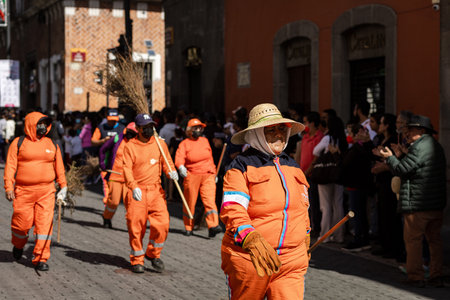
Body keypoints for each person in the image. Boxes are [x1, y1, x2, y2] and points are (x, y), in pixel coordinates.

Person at [221, 103, 310, 299]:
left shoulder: (293, 166)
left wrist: (305, 236)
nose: (278, 135)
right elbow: (233, 209)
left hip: (291, 262)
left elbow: (302, 208)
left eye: (281, 129)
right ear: (256, 135)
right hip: (251, 258)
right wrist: (250, 238)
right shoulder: (241, 166)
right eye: (270, 130)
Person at [380, 115, 446, 288]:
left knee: (413, 240)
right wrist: (402, 154)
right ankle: (436, 274)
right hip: (434, 204)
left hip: (418, 204)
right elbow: (416, 167)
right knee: (434, 241)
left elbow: (403, 169)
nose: (407, 133)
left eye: (411, 130)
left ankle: (415, 276)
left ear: (422, 131)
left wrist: (390, 157)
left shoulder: (420, 147)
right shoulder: (434, 146)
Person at [4, 112, 67, 271]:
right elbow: (10, 167)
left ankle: (40, 258)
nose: (43, 127)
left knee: (44, 226)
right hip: (24, 192)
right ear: (31, 124)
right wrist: (8, 187)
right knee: (21, 225)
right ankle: (18, 245)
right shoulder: (18, 143)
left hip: (47, 192)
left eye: (45, 124)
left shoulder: (52, 144)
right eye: (40, 124)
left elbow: (59, 167)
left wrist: (63, 187)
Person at [122, 113, 179, 274]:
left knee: (163, 224)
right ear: (138, 129)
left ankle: (153, 253)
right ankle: (137, 259)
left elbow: (167, 163)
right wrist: (133, 187)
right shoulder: (130, 146)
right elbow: (126, 169)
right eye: (145, 127)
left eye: (151, 126)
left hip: (156, 191)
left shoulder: (160, 144)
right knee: (136, 227)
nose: (149, 129)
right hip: (137, 192)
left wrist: (171, 172)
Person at [175, 118, 222, 238]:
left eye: (200, 128)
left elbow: (210, 158)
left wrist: (214, 172)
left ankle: (213, 226)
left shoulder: (205, 141)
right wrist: (181, 167)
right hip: (192, 175)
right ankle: (188, 226)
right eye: (196, 128)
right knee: (190, 202)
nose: (199, 130)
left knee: (210, 201)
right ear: (190, 130)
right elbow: (179, 158)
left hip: (208, 175)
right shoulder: (184, 144)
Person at [313, 116, 348, 243]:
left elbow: (315, 151)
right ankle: (339, 235)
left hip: (325, 174)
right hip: (338, 175)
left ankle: (325, 235)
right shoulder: (343, 140)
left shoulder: (328, 138)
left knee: (326, 205)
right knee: (338, 204)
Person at [99, 122, 138, 228]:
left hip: (129, 178)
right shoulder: (117, 138)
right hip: (115, 176)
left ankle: (132, 225)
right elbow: (103, 149)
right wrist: (102, 164)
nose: (131, 134)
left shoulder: (137, 142)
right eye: (130, 132)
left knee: (130, 203)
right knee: (114, 202)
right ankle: (107, 217)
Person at [91, 109, 125, 203]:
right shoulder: (101, 128)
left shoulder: (122, 128)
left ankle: (113, 199)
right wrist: (103, 141)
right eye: (110, 120)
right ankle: (107, 201)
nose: (112, 122)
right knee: (106, 181)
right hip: (105, 160)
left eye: (114, 120)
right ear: (107, 118)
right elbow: (93, 141)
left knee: (115, 182)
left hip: (118, 161)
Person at [298, 111, 324, 237]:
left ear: (312, 123)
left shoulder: (319, 137)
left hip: (313, 175)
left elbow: (316, 158)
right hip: (303, 174)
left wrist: (307, 171)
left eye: (306, 122)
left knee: (315, 203)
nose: (304, 125)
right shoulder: (305, 137)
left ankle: (316, 227)